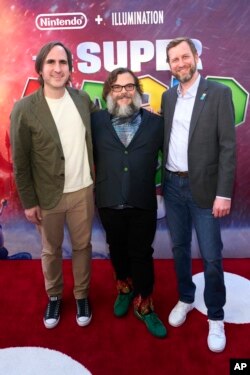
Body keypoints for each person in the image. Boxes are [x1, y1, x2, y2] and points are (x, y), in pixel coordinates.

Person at [10, 41, 96, 329]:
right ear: (40, 69)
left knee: (83, 246)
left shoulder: (83, 100)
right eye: (51, 63)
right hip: (48, 196)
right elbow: (20, 162)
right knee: (51, 250)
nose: (58, 69)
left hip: (83, 190)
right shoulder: (24, 109)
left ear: (71, 69)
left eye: (63, 63)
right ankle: (55, 296)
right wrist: (29, 201)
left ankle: (82, 294)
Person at [161, 37, 236, 352]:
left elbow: (227, 148)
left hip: (204, 189)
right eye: (174, 59)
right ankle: (186, 297)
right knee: (179, 249)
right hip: (172, 187)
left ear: (196, 57)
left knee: (211, 256)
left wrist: (223, 194)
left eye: (184, 57)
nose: (180, 63)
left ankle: (215, 316)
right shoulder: (167, 97)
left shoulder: (218, 93)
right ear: (170, 66)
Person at [91, 67, 167, 338]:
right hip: (108, 200)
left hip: (142, 201)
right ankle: (124, 288)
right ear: (109, 92)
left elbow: (170, 160)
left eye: (129, 86)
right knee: (117, 249)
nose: (123, 92)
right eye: (117, 87)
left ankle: (145, 305)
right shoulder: (95, 122)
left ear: (137, 90)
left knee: (142, 254)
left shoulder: (156, 123)